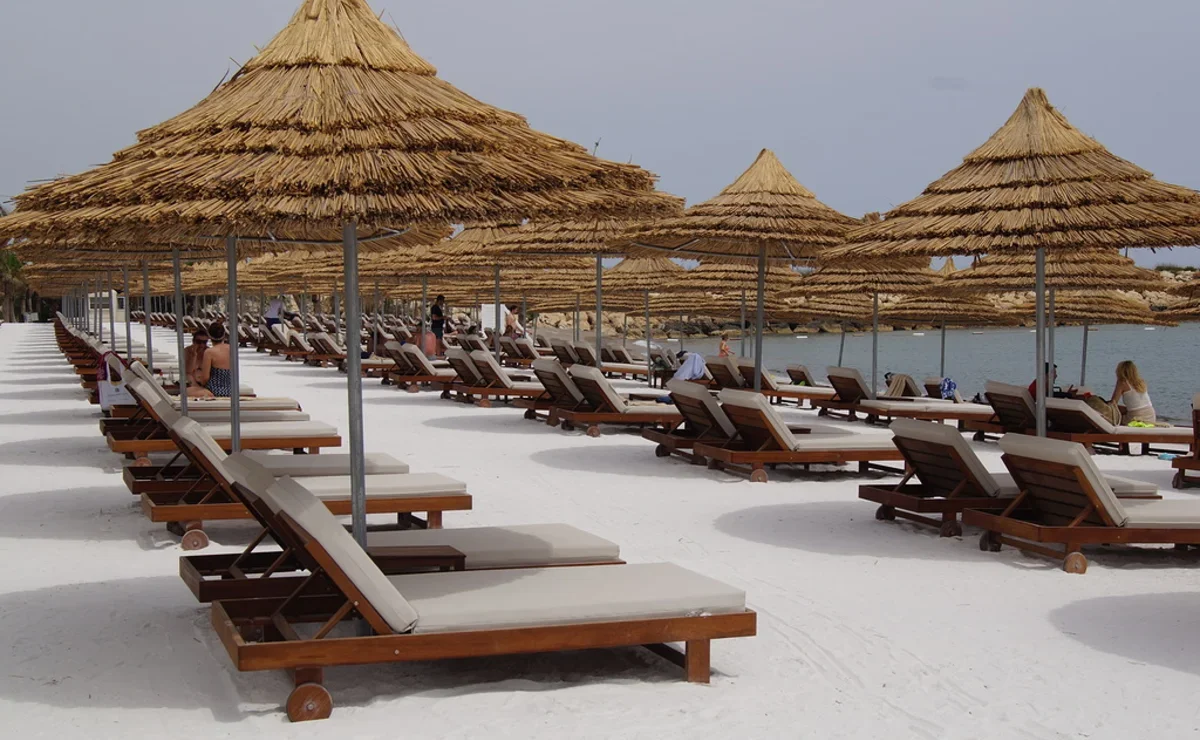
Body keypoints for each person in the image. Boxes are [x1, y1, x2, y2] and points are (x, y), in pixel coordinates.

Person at [1110, 360, 1156, 425]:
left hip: (1136, 417)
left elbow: (1113, 403)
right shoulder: (1141, 382)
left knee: (1113, 413)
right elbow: (1138, 405)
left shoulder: (1122, 382)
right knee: (1123, 409)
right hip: (1151, 416)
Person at [196, 322, 233, 398]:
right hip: (231, 390)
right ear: (224, 335)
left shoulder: (209, 352)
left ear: (209, 336)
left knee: (187, 391)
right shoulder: (232, 349)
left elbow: (205, 378)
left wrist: (199, 380)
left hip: (214, 391)